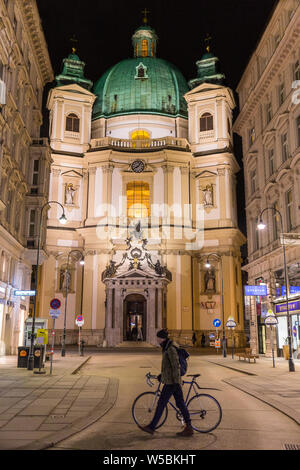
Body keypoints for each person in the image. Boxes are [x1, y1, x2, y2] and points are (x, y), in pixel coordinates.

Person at [140, 328, 193, 437]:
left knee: (161, 404)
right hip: (171, 380)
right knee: (180, 403)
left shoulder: (170, 348)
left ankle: (152, 427)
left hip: (172, 382)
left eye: (158, 337)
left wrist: (177, 381)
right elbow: (168, 367)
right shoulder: (166, 347)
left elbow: (175, 366)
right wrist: (162, 376)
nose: (157, 339)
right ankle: (189, 427)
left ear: (162, 338)